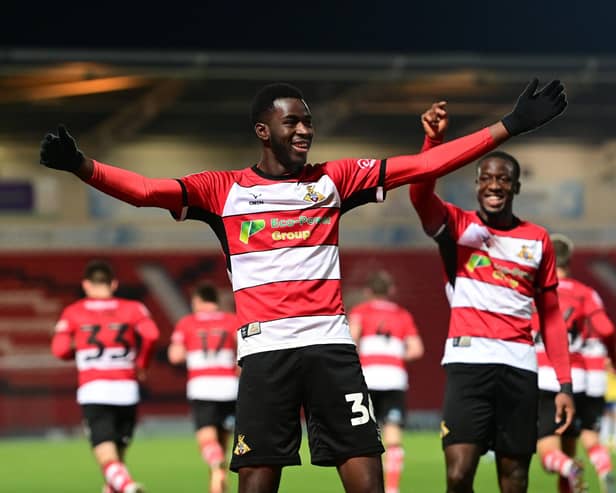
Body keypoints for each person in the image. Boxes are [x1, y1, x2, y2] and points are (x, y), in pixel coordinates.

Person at [40, 78, 566, 493]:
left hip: (332, 349)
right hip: (267, 354)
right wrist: (82, 166)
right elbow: (146, 190)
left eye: (308, 123)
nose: (304, 131)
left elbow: (424, 165)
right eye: (292, 122)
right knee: (259, 480)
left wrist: (510, 125)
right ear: (262, 130)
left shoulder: (333, 180)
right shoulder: (222, 190)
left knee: (366, 478)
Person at [409, 102, 574, 493]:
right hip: (468, 365)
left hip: (519, 368)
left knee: (515, 478)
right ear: (477, 184)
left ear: (516, 187)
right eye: (486, 178)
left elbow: (550, 317)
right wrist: (432, 140)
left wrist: (564, 385)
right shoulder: (457, 226)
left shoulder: (538, 240)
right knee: (458, 474)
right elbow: (419, 194)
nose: (494, 186)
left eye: (503, 180)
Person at [50, 260, 160, 493]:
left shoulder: (73, 312)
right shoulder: (133, 308)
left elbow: (59, 350)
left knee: (106, 457)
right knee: (116, 460)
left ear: (86, 285)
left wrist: (77, 352)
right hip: (126, 389)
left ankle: (129, 487)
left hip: (94, 388)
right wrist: (141, 364)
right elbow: (151, 335)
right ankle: (119, 485)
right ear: (114, 283)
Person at [545, 234, 616, 493]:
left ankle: (567, 468)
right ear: (569, 261)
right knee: (581, 439)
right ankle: (602, 468)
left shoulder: (535, 292)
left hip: (542, 376)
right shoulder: (585, 293)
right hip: (579, 378)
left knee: (545, 449)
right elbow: (606, 330)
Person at [349, 270, 424, 493]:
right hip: (393, 378)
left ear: (367, 291)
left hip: (367, 378)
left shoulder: (360, 312)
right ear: (390, 291)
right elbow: (416, 349)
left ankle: (365, 485)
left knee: (363, 437)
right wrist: (394, 354)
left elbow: (352, 341)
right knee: (393, 435)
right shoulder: (403, 315)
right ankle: (392, 488)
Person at [168, 282, 239, 493]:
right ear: (216, 301)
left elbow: (175, 355)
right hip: (229, 387)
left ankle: (216, 467)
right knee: (223, 439)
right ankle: (217, 484)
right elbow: (245, 352)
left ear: (197, 301)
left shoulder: (187, 323)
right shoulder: (231, 321)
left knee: (207, 440)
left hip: (202, 386)